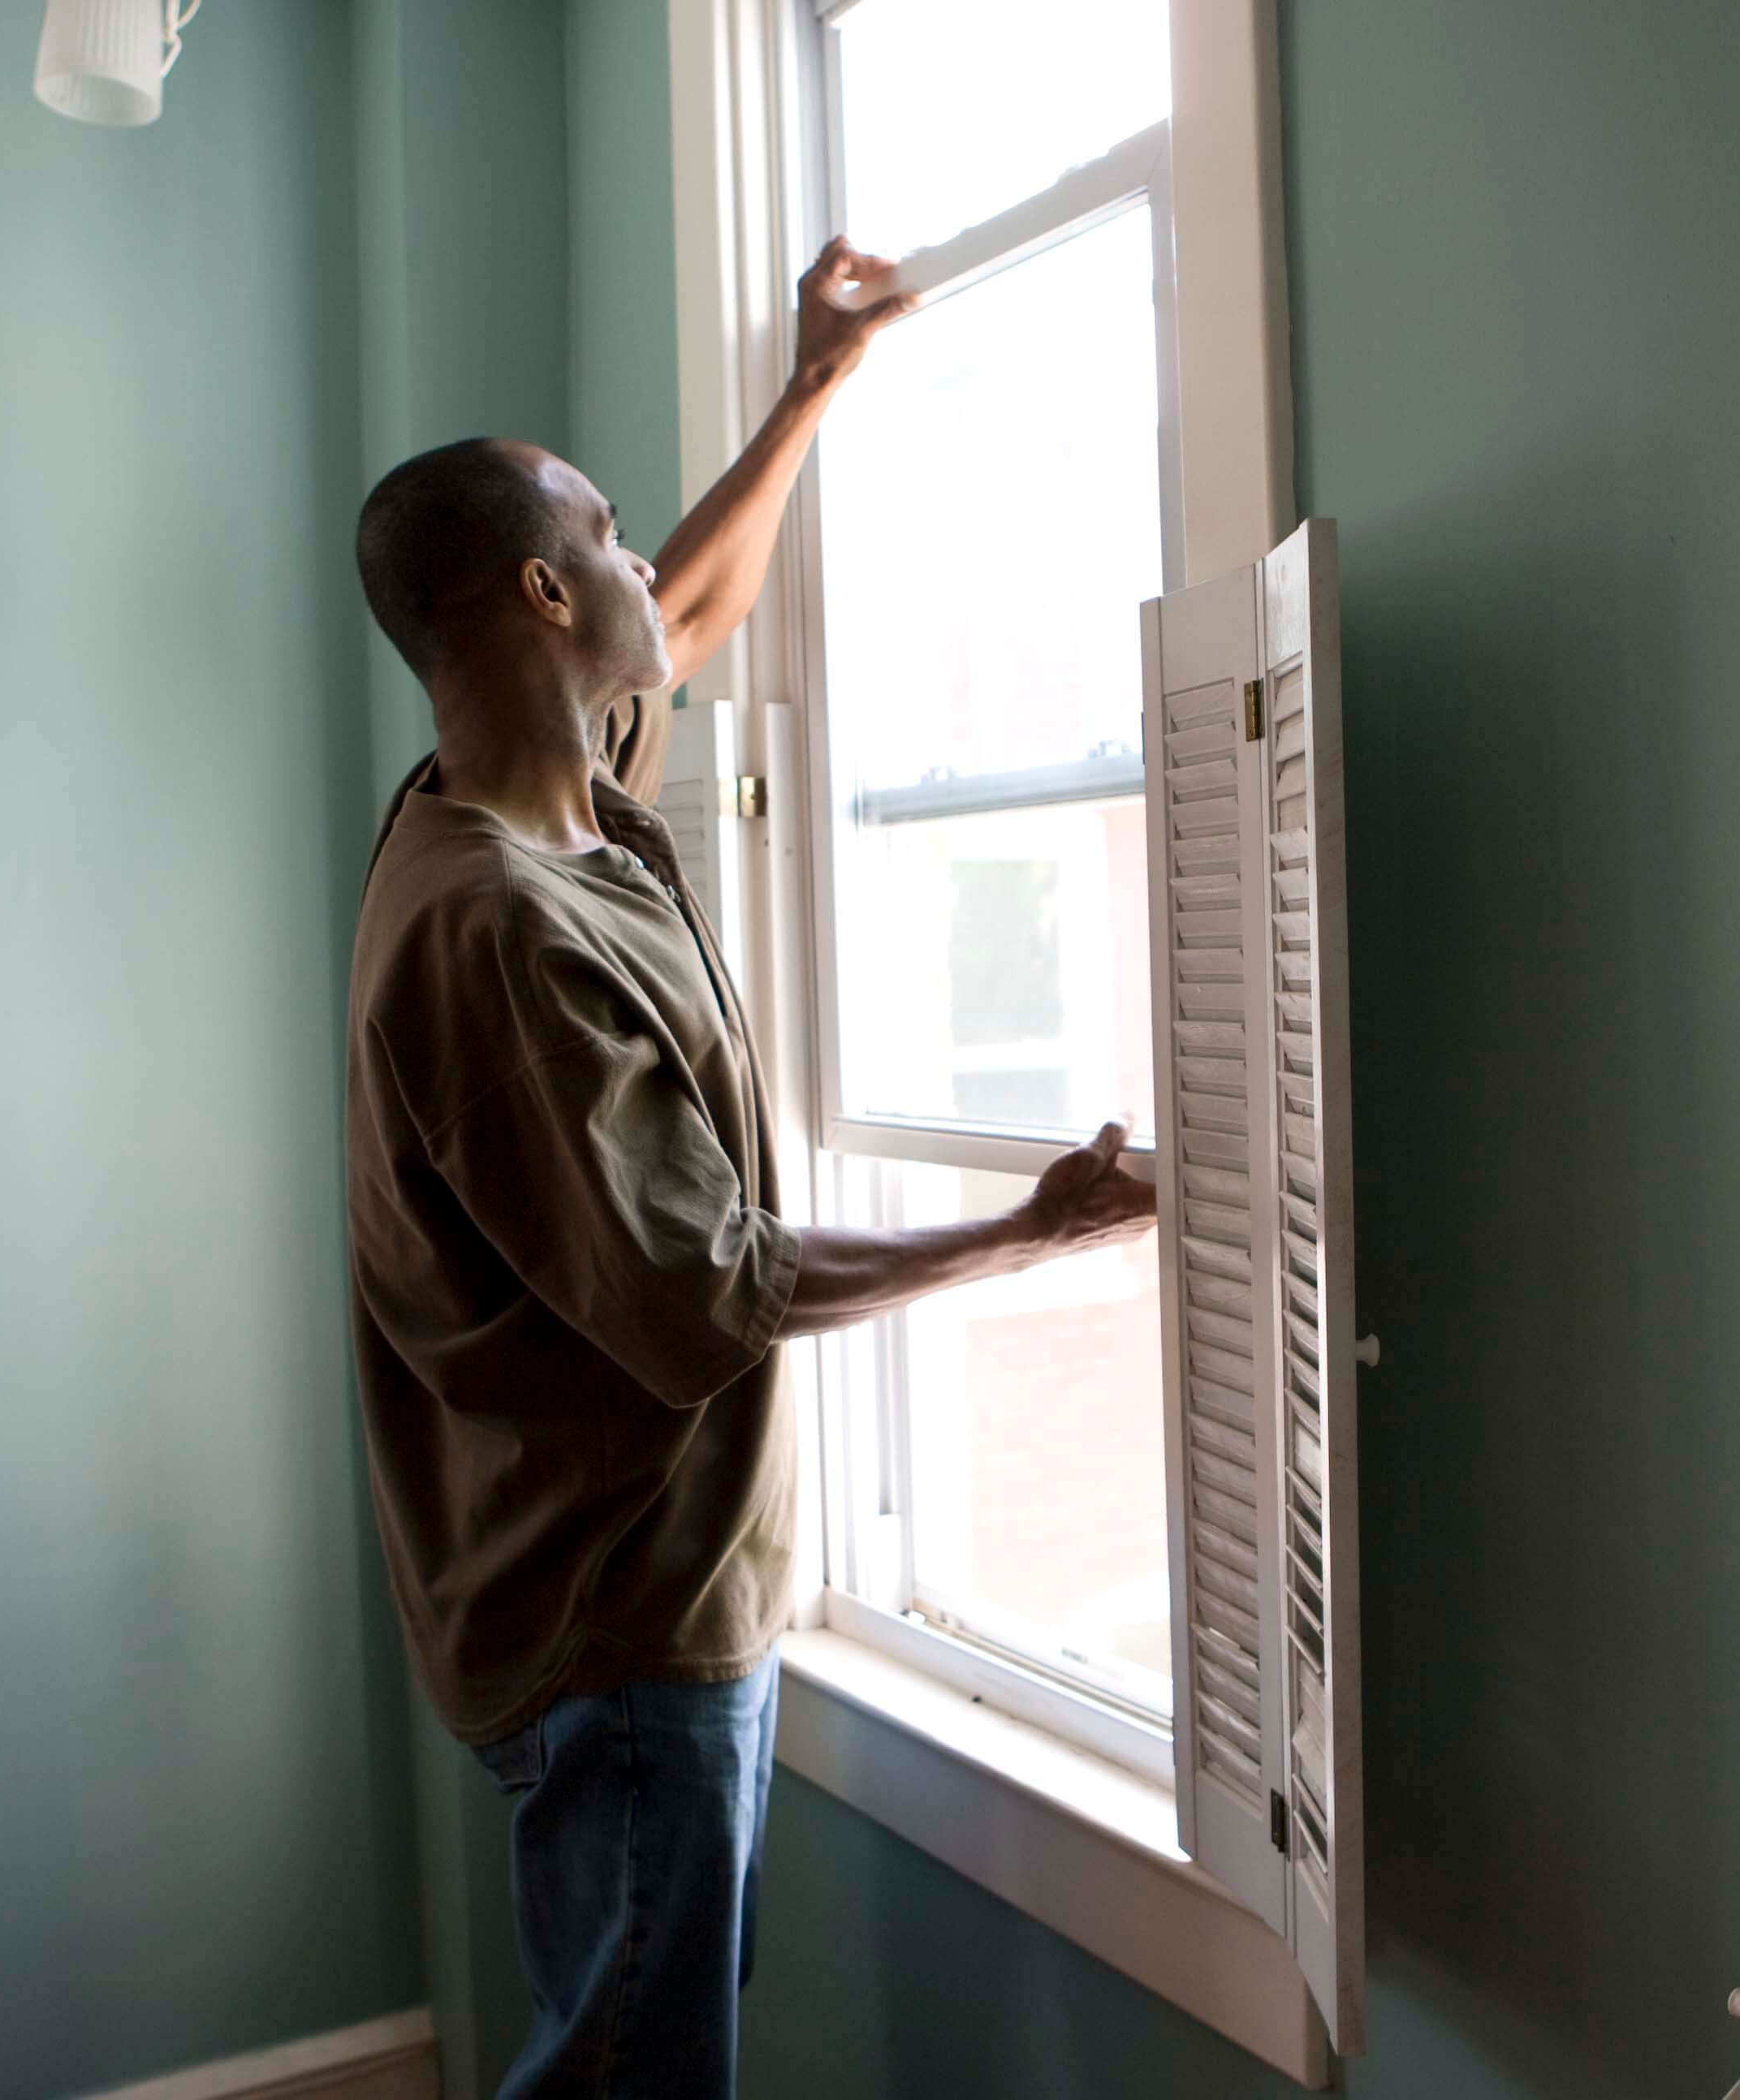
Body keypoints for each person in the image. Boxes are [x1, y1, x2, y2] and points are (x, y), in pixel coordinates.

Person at [343, 237, 1157, 2100]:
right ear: (544, 594)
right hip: (612, 1621)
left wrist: (813, 386)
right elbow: (706, 1290)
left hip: (633, 1596)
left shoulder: (532, 791)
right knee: (631, 2074)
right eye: (607, 531)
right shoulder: (497, 929)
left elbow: (682, 615)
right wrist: (1031, 1233)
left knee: (630, 2042)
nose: (644, 561)